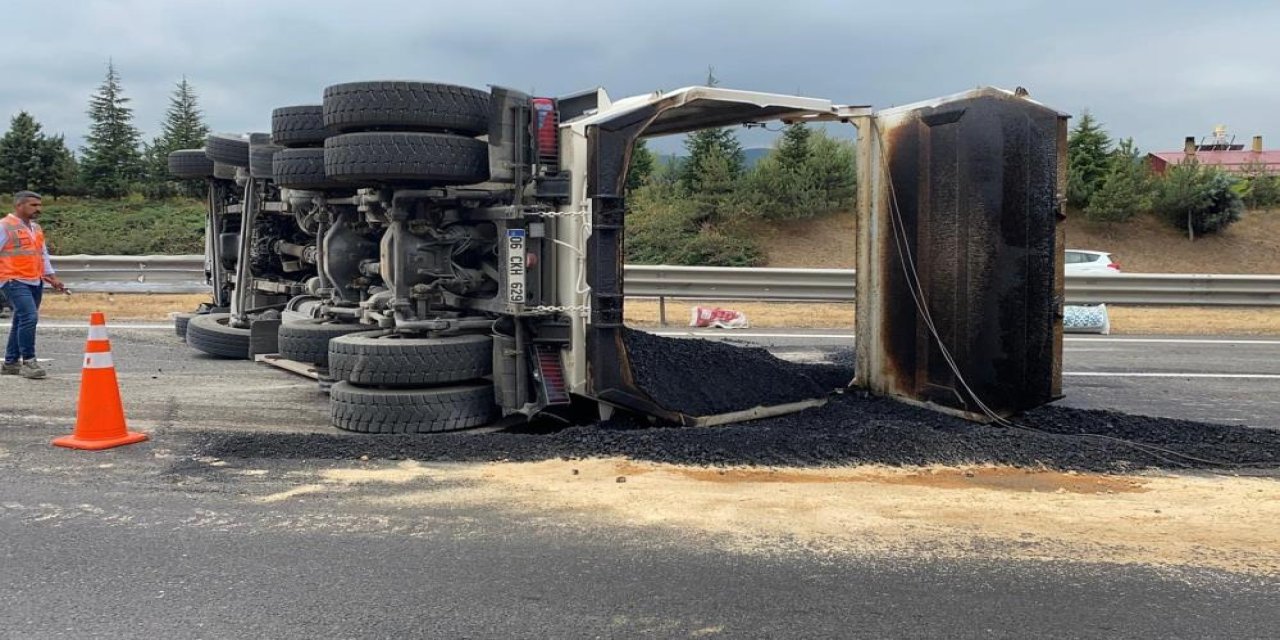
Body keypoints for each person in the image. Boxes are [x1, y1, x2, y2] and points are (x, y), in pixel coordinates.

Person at [1, 191, 65, 379]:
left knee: (21, 319)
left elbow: (42, 255)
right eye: (33, 205)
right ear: (19, 206)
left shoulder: (35, 228)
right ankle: (29, 361)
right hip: (13, 279)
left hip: (35, 279)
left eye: (39, 205)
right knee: (29, 317)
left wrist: (52, 277)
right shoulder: (4, 226)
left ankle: (11, 362)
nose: (38, 209)